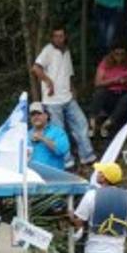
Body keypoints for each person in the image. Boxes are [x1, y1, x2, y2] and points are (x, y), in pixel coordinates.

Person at [31, 28, 96, 168]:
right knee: (59, 131)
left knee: (81, 123)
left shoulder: (66, 51)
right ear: (52, 38)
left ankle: (87, 156)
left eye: (61, 36)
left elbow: (69, 74)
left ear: (65, 37)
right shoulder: (48, 50)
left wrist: (73, 90)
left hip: (67, 96)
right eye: (56, 36)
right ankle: (66, 161)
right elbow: (36, 68)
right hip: (52, 101)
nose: (59, 39)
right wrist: (48, 82)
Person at [90, 46, 127, 139]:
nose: (119, 56)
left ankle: (108, 124)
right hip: (110, 93)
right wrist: (114, 80)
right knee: (99, 93)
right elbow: (97, 83)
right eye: (117, 54)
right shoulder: (105, 63)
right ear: (112, 53)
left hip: (125, 93)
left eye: (122, 54)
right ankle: (92, 123)